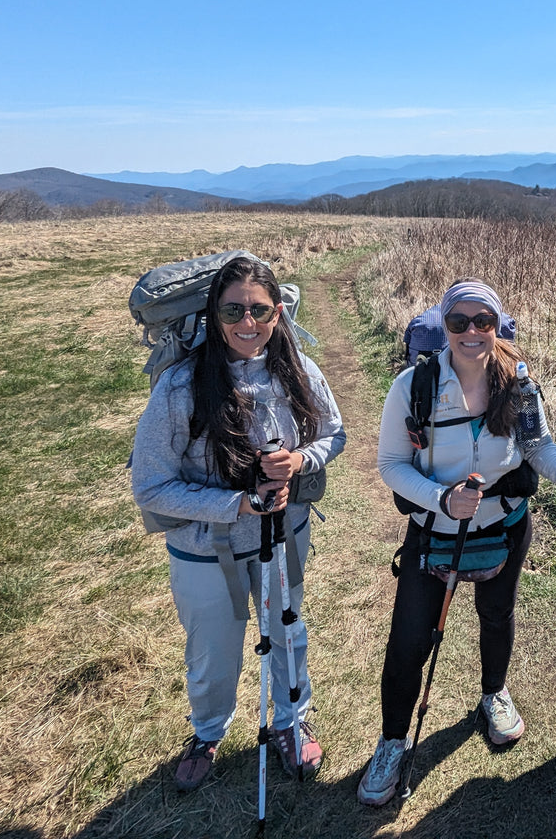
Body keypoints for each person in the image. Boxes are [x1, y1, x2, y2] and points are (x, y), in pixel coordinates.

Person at [358, 278, 556, 806]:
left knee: (497, 614)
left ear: (495, 326)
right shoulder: (412, 387)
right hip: (435, 530)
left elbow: (537, 445)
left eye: (482, 321)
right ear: (444, 326)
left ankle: (493, 695)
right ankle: (393, 742)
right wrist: (442, 499)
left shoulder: (517, 381)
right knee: (409, 640)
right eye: (458, 322)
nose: (470, 331)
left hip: (506, 523)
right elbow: (391, 465)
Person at [131, 256, 345, 792]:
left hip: (283, 539)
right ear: (213, 313)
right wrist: (238, 506)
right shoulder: (180, 387)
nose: (248, 324)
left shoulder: (297, 371)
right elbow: (151, 485)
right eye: (233, 310)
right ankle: (207, 733)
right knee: (212, 648)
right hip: (206, 549)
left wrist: (301, 462)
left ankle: (289, 723)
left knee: (287, 633)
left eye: (260, 310)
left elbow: (333, 433)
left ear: (277, 313)